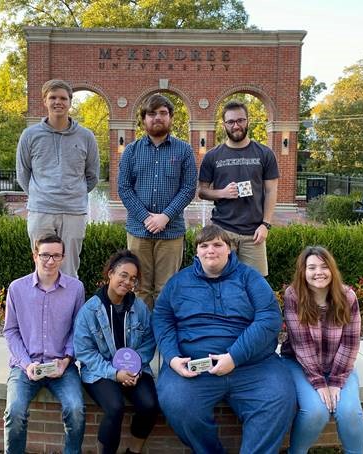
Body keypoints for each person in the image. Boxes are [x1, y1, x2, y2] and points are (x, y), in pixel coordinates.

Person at [152, 224, 296, 454]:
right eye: (204, 245)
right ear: (196, 252)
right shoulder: (178, 283)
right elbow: (162, 319)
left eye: (218, 244)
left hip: (252, 364)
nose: (211, 250)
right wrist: (171, 357)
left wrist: (235, 356)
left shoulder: (250, 278)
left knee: (278, 400)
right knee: (178, 404)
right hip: (195, 366)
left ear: (229, 249)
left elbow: (269, 317)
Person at [3, 234, 85, 454]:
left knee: (76, 408)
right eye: (45, 255)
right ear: (35, 256)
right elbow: (11, 331)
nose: (50, 261)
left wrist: (66, 360)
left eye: (56, 256)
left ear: (63, 257)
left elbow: (78, 331)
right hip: (25, 366)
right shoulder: (17, 288)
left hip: (62, 367)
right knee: (15, 410)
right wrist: (26, 363)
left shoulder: (76, 289)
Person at [281, 246, 363, 454]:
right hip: (299, 364)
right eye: (311, 267)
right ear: (303, 272)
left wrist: (336, 380)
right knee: (315, 412)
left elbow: (350, 342)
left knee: (349, 412)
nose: (318, 272)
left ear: (332, 269)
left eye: (324, 266)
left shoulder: (348, 297)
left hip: (339, 364)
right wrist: (319, 383)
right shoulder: (293, 296)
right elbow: (302, 346)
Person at [74, 250, 158, 454]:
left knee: (150, 406)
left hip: (134, 370)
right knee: (114, 407)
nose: (128, 282)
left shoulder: (139, 307)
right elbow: (84, 352)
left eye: (133, 279)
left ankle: (134, 451)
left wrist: (136, 368)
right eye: (123, 275)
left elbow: (148, 341)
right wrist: (115, 373)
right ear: (110, 273)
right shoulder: (90, 310)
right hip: (100, 372)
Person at [118, 93, 197, 308]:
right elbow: (124, 188)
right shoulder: (131, 151)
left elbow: (189, 188)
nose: (157, 118)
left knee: (167, 288)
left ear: (171, 117)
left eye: (163, 113)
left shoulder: (184, 150)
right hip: (138, 230)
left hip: (171, 232)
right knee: (140, 287)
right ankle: (144, 338)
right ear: (144, 119)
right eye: (152, 113)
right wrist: (146, 217)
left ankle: (163, 339)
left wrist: (165, 216)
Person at [16, 79, 100, 278]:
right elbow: (23, 173)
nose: (58, 102)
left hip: (73, 212)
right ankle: (42, 308)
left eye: (63, 98)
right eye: (52, 97)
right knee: (43, 268)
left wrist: (73, 192)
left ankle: (70, 309)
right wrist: (41, 194)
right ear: (45, 101)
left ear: (70, 102)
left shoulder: (86, 136)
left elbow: (93, 175)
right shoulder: (30, 135)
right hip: (41, 211)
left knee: (69, 269)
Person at [198, 100, 279, 277]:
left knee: (255, 286)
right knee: (221, 283)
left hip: (254, 234)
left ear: (248, 121)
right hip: (222, 232)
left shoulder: (265, 153)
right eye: (231, 122)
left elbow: (271, 190)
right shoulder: (212, 156)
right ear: (224, 124)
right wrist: (222, 193)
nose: (236, 126)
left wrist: (266, 224)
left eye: (241, 120)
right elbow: (202, 191)